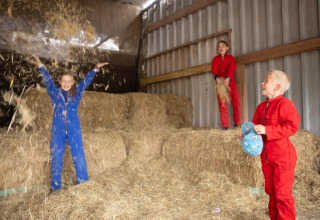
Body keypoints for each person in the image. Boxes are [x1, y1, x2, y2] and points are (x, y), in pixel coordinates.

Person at [31, 53, 109, 191]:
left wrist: (95, 69)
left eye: (69, 81)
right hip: (58, 130)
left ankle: (83, 184)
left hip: (74, 129)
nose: (66, 83)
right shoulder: (55, 93)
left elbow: (86, 81)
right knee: (56, 157)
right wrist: (39, 62)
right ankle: (55, 188)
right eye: (64, 81)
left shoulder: (77, 93)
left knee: (79, 155)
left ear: (73, 83)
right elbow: (47, 80)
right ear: (60, 82)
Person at [252, 70, 300, 220]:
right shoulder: (261, 107)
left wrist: (267, 130)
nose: (262, 83)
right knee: (271, 191)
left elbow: (292, 127)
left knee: (282, 193)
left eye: (266, 81)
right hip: (267, 159)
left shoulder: (285, 105)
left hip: (283, 158)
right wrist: (247, 134)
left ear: (276, 87)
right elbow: (254, 127)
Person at [211, 40, 241, 130]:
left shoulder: (231, 58)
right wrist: (217, 78)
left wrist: (228, 78)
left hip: (230, 82)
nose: (221, 48)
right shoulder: (215, 59)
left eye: (223, 46)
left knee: (236, 102)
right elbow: (214, 70)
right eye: (219, 46)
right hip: (220, 83)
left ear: (227, 48)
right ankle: (225, 126)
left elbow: (232, 68)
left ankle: (237, 123)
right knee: (222, 104)